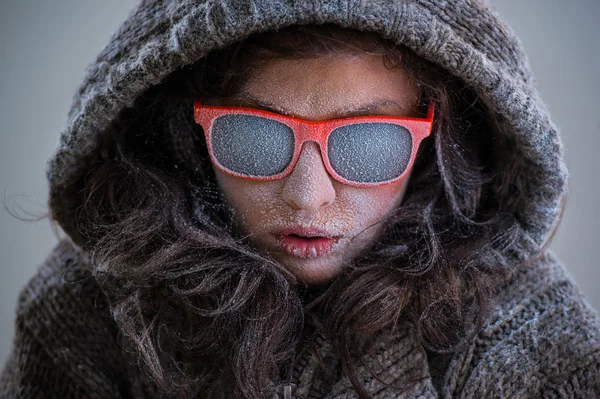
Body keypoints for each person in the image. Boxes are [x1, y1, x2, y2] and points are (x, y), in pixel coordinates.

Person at [1, 0, 599, 398]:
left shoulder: (517, 323)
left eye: (367, 144)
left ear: (436, 143)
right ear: (190, 133)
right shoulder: (88, 308)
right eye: (256, 137)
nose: (309, 199)